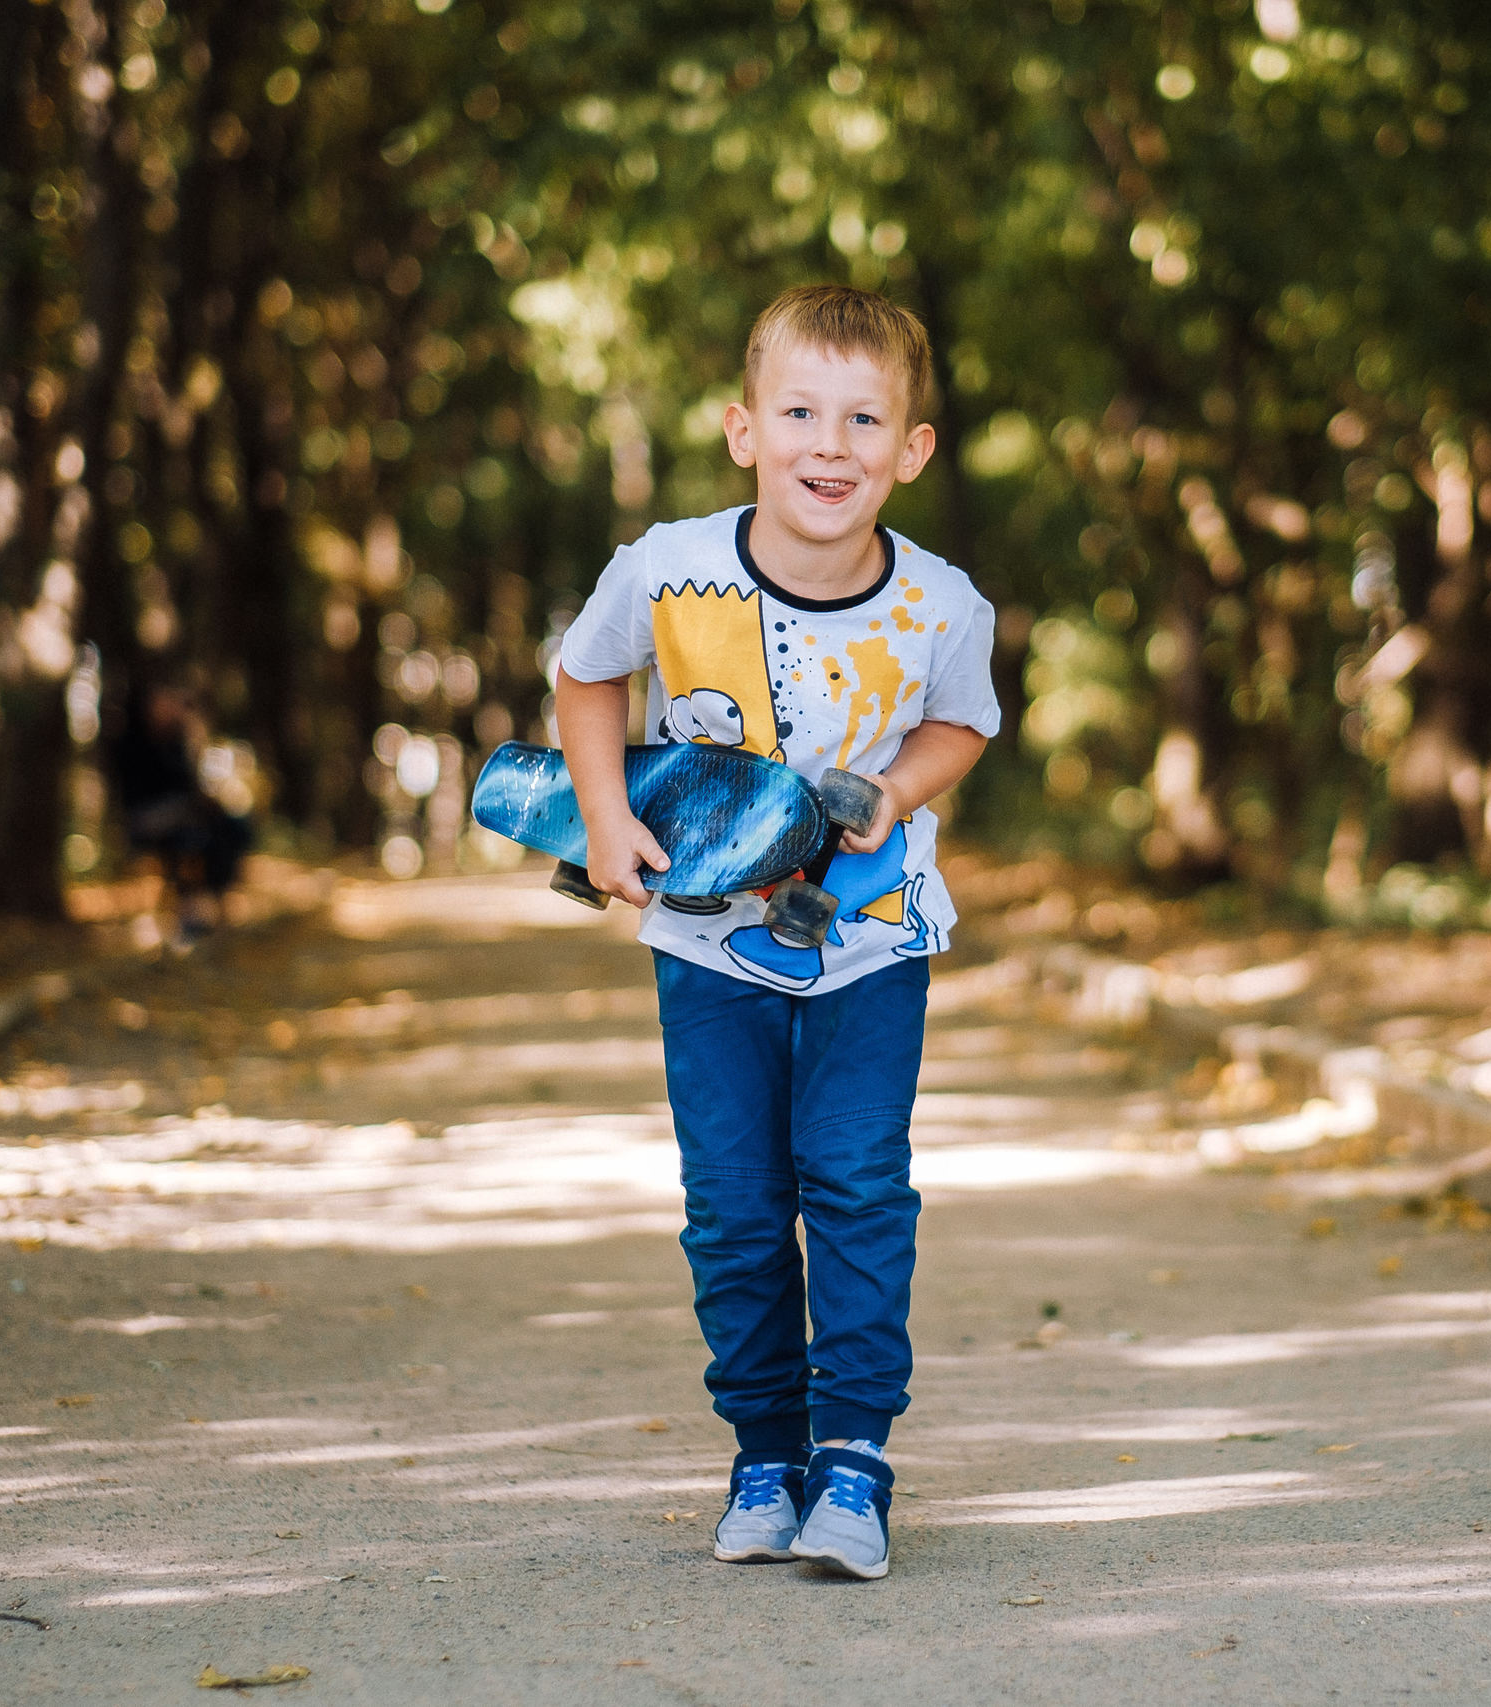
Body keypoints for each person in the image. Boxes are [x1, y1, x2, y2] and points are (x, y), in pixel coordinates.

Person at [553, 285, 997, 1581]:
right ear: (744, 429)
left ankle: (852, 1458)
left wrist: (896, 791)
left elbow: (963, 721)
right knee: (735, 1207)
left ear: (911, 449)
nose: (830, 444)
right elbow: (586, 674)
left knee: (855, 1183)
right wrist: (603, 815)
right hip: (707, 947)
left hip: (871, 948)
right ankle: (764, 1451)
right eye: (800, 412)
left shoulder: (942, 603)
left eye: (864, 419)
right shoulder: (666, 567)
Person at [106, 682, 251, 945]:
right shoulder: (131, 742)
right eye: (162, 702)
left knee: (233, 827)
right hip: (147, 820)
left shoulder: (177, 741)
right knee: (193, 838)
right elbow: (138, 796)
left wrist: (191, 735)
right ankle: (192, 912)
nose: (168, 708)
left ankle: (214, 901)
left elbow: (190, 786)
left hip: (183, 816)